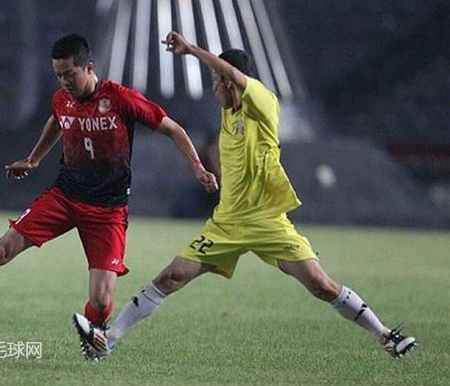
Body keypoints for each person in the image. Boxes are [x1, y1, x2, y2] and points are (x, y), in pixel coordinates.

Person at [72, 31, 417, 361]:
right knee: (171, 276)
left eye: (215, 81)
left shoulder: (263, 101)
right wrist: (210, 173)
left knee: (320, 284)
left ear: (228, 81)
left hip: (268, 222)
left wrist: (192, 50)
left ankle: (385, 335)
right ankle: (109, 340)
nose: (213, 88)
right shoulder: (228, 114)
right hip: (227, 223)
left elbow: (236, 77)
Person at [0, 34, 218, 338]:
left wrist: (198, 167)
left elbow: (173, 129)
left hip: (107, 211)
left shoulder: (120, 98)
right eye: (58, 75)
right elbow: (56, 120)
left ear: (89, 67)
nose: (64, 82)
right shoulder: (62, 99)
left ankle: (95, 335)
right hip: (64, 198)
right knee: (0, 250)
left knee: (101, 302)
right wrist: (34, 159)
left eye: (69, 74)